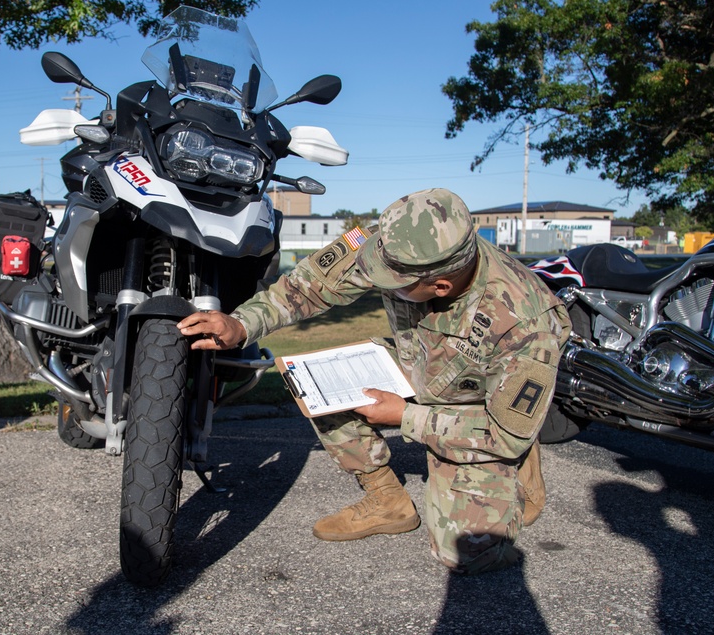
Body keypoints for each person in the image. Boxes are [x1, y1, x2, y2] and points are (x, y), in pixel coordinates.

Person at [178, 188, 571, 575]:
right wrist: (242, 323)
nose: (376, 279)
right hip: (416, 361)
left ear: (440, 286)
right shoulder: (391, 245)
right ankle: (387, 499)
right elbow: (310, 283)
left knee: (466, 554)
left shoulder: (529, 322)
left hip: (478, 408)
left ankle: (516, 476)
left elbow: (504, 432)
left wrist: (406, 417)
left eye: (392, 282)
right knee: (316, 380)